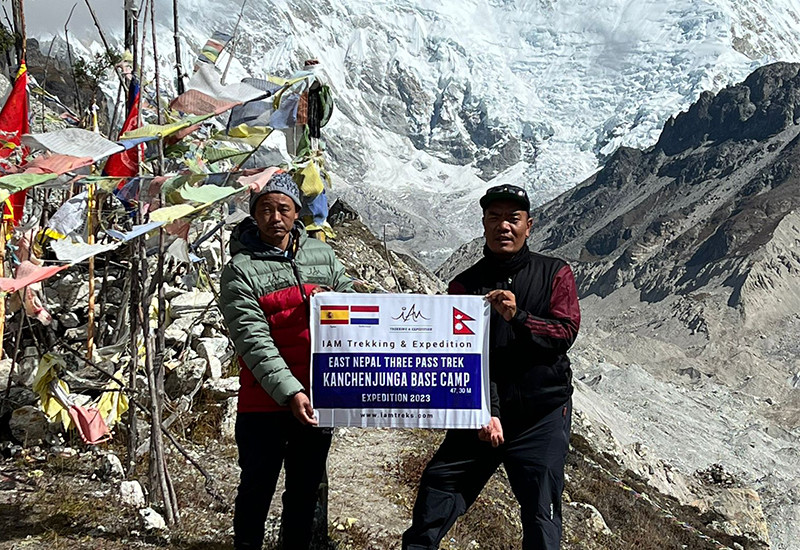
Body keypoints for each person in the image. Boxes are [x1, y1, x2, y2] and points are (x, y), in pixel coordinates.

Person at [402, 184, 581, 550]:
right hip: (480, 411)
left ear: (528, 226)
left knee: (541, 515)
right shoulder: (464, 284)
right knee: (438, 491)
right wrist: (489, 411)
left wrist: (520, 317)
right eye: (494, 217)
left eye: (513, 219)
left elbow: (564, 333)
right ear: (483, 223)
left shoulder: (555, 273)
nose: (504, 226)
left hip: (542, 415)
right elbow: (462, 358)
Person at [219, 170, 352, 550]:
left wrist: (333, 301)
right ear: (254, 214)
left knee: (304, 491)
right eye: (265, 209)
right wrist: (291, 392)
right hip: (264, 403)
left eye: (284, 208)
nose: (275, 218)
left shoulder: (322, 255)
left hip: (318, 397)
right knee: (256, 490)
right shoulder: (239, 270)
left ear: (297, 214)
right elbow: (253, 340)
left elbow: (351, 300)